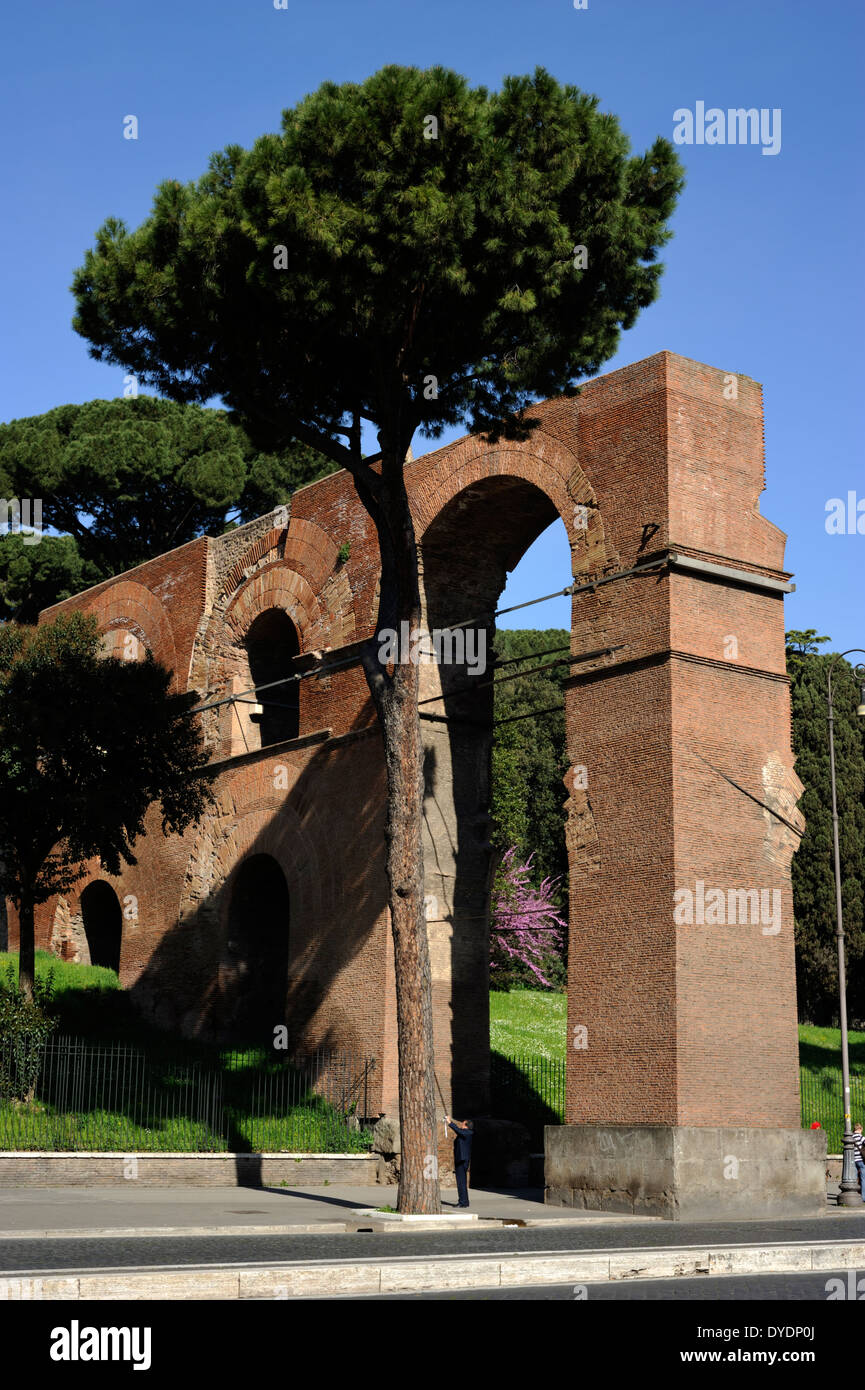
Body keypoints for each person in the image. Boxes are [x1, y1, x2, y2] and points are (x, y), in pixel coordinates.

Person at [445, 1115, 474, 1209]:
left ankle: (463, 1202)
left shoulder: (468, 1133)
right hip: (460, 1159)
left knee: (461, 1182)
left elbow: (458, 1130)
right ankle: (464, 1201)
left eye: (463, 1123)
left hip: (462, 1160)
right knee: (461, 1182)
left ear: (466, 1125)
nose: (461, 1124)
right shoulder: (465, 1133)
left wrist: (450, 1122)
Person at [853, 1122, 865, 1202]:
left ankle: (854, 1196)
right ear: (860, 1129)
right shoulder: (861, 1137)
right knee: (863, 1179)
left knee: (854, 1179)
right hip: (860, 1160)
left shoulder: (850, 1137)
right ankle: (863, 1197)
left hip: (853, 1161)